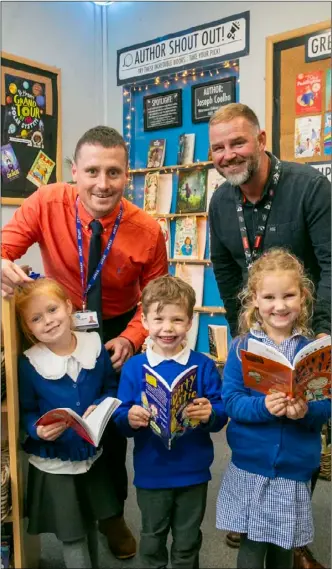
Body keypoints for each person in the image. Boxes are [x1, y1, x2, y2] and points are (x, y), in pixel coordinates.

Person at [1, 125, 168, 558]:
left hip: (115, 328)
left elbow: (156, 299)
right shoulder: (45, 202)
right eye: (92, 170)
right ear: (75, 171)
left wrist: (133, 337)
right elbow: (5, 247)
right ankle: (65, 512)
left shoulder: (147, 230)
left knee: (108, 425)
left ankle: (111, 515)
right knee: (56, 414)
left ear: (127, 176)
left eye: (114, 172)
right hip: (57, 320)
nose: (102, 183)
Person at [216, 248, 331, 569]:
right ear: (253, 299)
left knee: (284, 551)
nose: (279, 306)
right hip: (252, 467)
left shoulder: (313, 351)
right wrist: (266, 406)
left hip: (294, 471)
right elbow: (233, 403)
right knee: (252, 551)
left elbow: (325, 407)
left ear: (303, 296)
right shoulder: (242, 348)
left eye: (289, 295)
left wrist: (305, 410)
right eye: (269, 297)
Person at [113, 275, 228, 569]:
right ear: (146, 321)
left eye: (177, 319)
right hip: (151, 471)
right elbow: (120, 416)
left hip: (193, 471)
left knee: (188, 539)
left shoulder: (203, 365)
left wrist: (210, 413)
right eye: (159, 318)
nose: (168, 328)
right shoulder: (134, 367)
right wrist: (130, 417)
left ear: (190, 322)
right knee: (151, 538)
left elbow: (220, 411)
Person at [15, 277, 122, 569]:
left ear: (68, 306)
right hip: (55, 464)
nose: (47, 321)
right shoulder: (29, 363)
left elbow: (110, 388)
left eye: (52, 310)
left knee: (89, 524)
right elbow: (24, 411)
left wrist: (100, 407)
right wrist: (36, 428)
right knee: (71, 536)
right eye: (36, 318)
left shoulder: (94, 345)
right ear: (28, 327)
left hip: (91, 456)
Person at [208, 103, 331, 341]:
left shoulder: (310, 188)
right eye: (218, 148)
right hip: (257, 339)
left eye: (238, 143)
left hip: (314, 336)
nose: (228, 155)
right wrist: (239, 333)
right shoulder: (220, 202)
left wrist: (324, 331)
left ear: (261, 140)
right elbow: (226, 274)